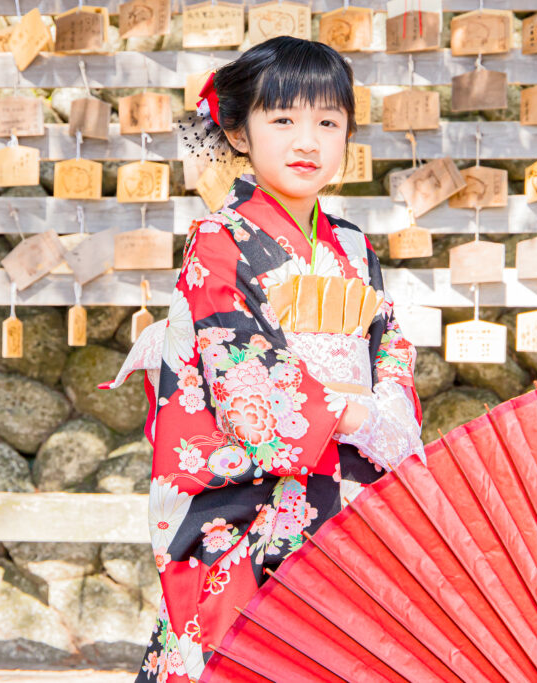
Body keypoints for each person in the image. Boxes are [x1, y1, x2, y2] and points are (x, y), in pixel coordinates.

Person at [99, 36, 425, 683]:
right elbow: (246, 379)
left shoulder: (355, 247)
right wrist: (353, 414)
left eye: (328, 122)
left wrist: (383, 414)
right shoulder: (219, 240)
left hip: (351, 491)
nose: (308, 141)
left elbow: (389, 349)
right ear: (239, 132)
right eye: (283, 120)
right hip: (263, 506)